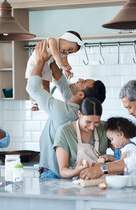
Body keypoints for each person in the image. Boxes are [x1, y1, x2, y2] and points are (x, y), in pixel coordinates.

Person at [26, 39, 106, 179]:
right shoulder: (76, 106)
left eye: (83, 81)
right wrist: (51, 57)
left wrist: (39, 61)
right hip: (65, 174)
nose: (79, 79)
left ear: (81, 95)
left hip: (52, 172)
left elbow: (32, 88)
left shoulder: (65, 113)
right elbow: (62, 82)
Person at [25, 31, 83, 111]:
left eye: (70, 52)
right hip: (35, 63)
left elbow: (65, 61)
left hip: (47, 65)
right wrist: (62, 66)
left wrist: (67, 68)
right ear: (65, 39)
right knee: (33, 84)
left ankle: (46, 102)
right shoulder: (53, 41)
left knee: (45, 84)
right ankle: (33, 102)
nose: (67, 52)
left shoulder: (64, 52)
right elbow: (55, 53)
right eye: (69, 49)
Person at [54, 97, 109, 179]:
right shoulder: (64, 131)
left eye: (97, 122)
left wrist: (111, 158)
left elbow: (122, 154)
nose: (92, 127)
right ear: (79, 114)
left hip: (101, 181)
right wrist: (76, 171)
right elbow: (63, 171)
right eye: (88, 122)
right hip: (76, 183)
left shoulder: (104, 127)